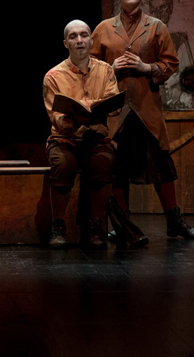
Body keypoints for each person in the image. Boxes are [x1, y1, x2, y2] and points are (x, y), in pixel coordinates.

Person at [91, 0, 194, 239]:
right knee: (118, 168)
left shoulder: (156, 27)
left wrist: (146, 67)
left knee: (161, 166)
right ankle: (123, 225)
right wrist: (110, 67)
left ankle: (174, 222)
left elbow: (171, 63)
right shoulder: (104, 29)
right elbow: (90, 66)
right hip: (116, 109)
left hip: (146, 108)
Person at [43, 20, 119, 249]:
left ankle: (96, 227)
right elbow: (57, 117)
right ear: (65, 43)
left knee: (103, 162)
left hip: (97, 138)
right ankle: (58, 226)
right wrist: (84, 111)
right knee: (62, 164)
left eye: (84, 35)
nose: (79, 40)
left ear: (91, 40)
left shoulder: (105, 70)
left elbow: (113, 103)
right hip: (65, 138)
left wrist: (85, 108)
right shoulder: (53, 76)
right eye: (73, 36)